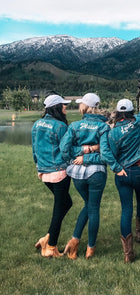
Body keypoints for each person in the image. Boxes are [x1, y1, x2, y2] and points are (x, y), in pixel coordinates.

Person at [102, 62, 140, 263]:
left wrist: (116, 168)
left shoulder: (113, 132)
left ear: (117, 112)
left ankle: (128, 253)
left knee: (126, 209)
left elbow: (108, 153)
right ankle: (139, 234)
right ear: (132, 110)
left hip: (122, 174)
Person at [60, 93, 116, 259]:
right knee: (93, 208)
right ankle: (90, 248)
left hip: (77, 173)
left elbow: (64, 150)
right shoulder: (104, 127)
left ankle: (75, 240)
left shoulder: (75, 126)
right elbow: (105, 154)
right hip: (96, 173)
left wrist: (81, 155)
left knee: (89, 205)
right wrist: (90, 150)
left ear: (85, 106)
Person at [32, 94, 72, 258]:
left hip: (43, 171)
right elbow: (66, 150)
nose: (66, 108)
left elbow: (34, 149)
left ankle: (47, 237)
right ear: (57, 107)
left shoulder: (36, 124)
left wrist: (38, 165)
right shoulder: (60, 126)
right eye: (64, 105)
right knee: (59, 208)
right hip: (59, 172)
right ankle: (51, 247)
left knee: (66, 203)